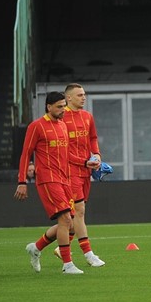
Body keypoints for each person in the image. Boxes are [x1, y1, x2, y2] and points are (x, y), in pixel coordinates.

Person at [16, 91, 85, 275]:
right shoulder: (36, 126)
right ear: (49, 107)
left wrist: (86, 163)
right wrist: (22, 181)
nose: (63, 110)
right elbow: (25, 154)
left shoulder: (63, 126)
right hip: (48, 179)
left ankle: (36, 247)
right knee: (65, 219)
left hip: (64, 180)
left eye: (64, 106)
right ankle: (67, 265)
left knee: (70, 225)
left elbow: (67, 155)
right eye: (59, 107)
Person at [61, 84, 104, 266]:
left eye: (84, 94)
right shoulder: (61, 118)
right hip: (70, 172)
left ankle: (39, 247)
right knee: (79, 212)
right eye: (79, 95)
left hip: (86, 171)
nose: (83, 97)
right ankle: (88, 254)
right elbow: (63, 150)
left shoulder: (87, 116)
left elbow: (93, 138)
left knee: (73, 216)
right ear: (68, 98)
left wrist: (97, 155)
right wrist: (84, 162)